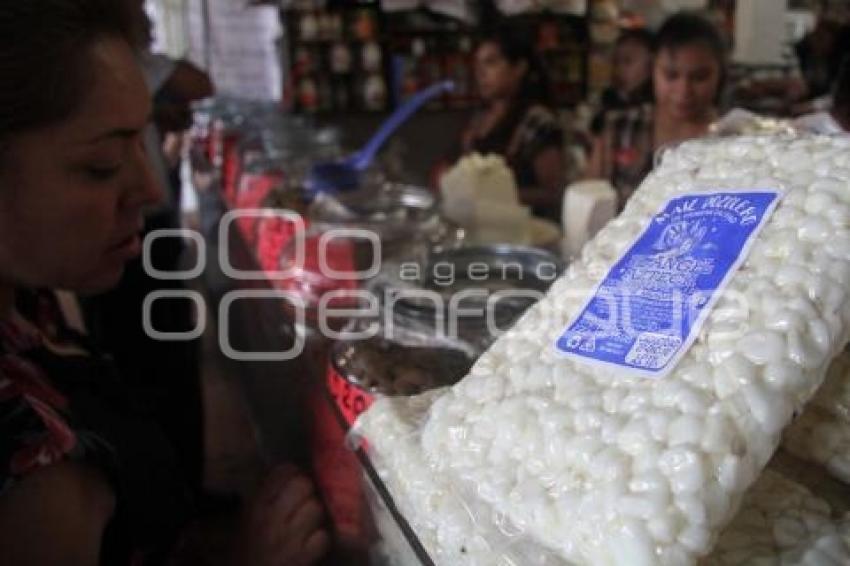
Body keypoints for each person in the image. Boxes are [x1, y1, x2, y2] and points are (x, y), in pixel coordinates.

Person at [0, 2, 327, 565]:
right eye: (101, 166)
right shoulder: (35, 483)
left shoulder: (28, 299)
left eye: (141, 139)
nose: (150, 188)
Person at [82, 0, 214, 490]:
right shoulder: (120, 60)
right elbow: (198, 81)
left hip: (143, 238)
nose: (149, 187)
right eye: (101, 164)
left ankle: (181, 492)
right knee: (153, 362)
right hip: (139, 245)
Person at [585, 12, 725, 208]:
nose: (684, 91)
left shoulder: (734, 142)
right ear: (653, 70)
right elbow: (586, 202)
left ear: (720, 74)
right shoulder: (619, 128)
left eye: (699, 77)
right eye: (671, 75)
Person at [445, 24, 566, 218]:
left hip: (524, 229)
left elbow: (553, 193)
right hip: (480, 227)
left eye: (491, 63)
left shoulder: (537, 121)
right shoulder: (479, 118)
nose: (481, 74)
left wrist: (496, 197)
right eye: (477, 65)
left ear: (519, 68)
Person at [590, 28, 655, 135]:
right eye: (615, 62)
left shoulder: (656, 105)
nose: (619, 69)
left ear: (651, 65)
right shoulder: (611, 98)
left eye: (627, 61)